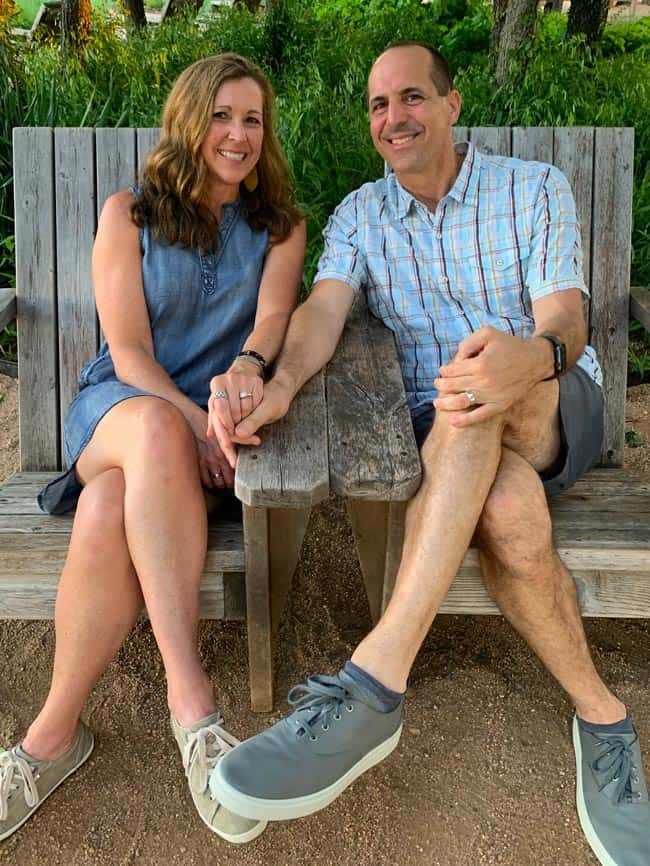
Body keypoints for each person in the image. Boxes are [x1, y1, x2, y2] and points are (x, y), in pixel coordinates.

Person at [207, 43, 649, 865]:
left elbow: (568, 320)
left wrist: (534, 357)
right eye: (377, 106)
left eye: (410, 97)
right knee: (507, 504)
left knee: (479, 384)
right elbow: (321, 314)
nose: (392, 118)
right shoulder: (360, 216)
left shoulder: (533, 188)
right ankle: (604, 716)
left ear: (451, 104)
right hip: (448, 427)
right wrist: (271, 378)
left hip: (555, 403)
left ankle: (375, 682)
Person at [0, 53, 305, 845]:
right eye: (221, 115)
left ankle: (49, 741)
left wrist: (242, 371)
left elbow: (272, 325)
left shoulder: (281, 228)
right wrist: (188, 419)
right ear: (189, 118)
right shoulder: (128, 214)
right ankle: (193, 707)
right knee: (149, 433)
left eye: (252, 119)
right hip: (121, 414)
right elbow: (130, 352)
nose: (236, 135)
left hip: (206, 441)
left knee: (105, 511)